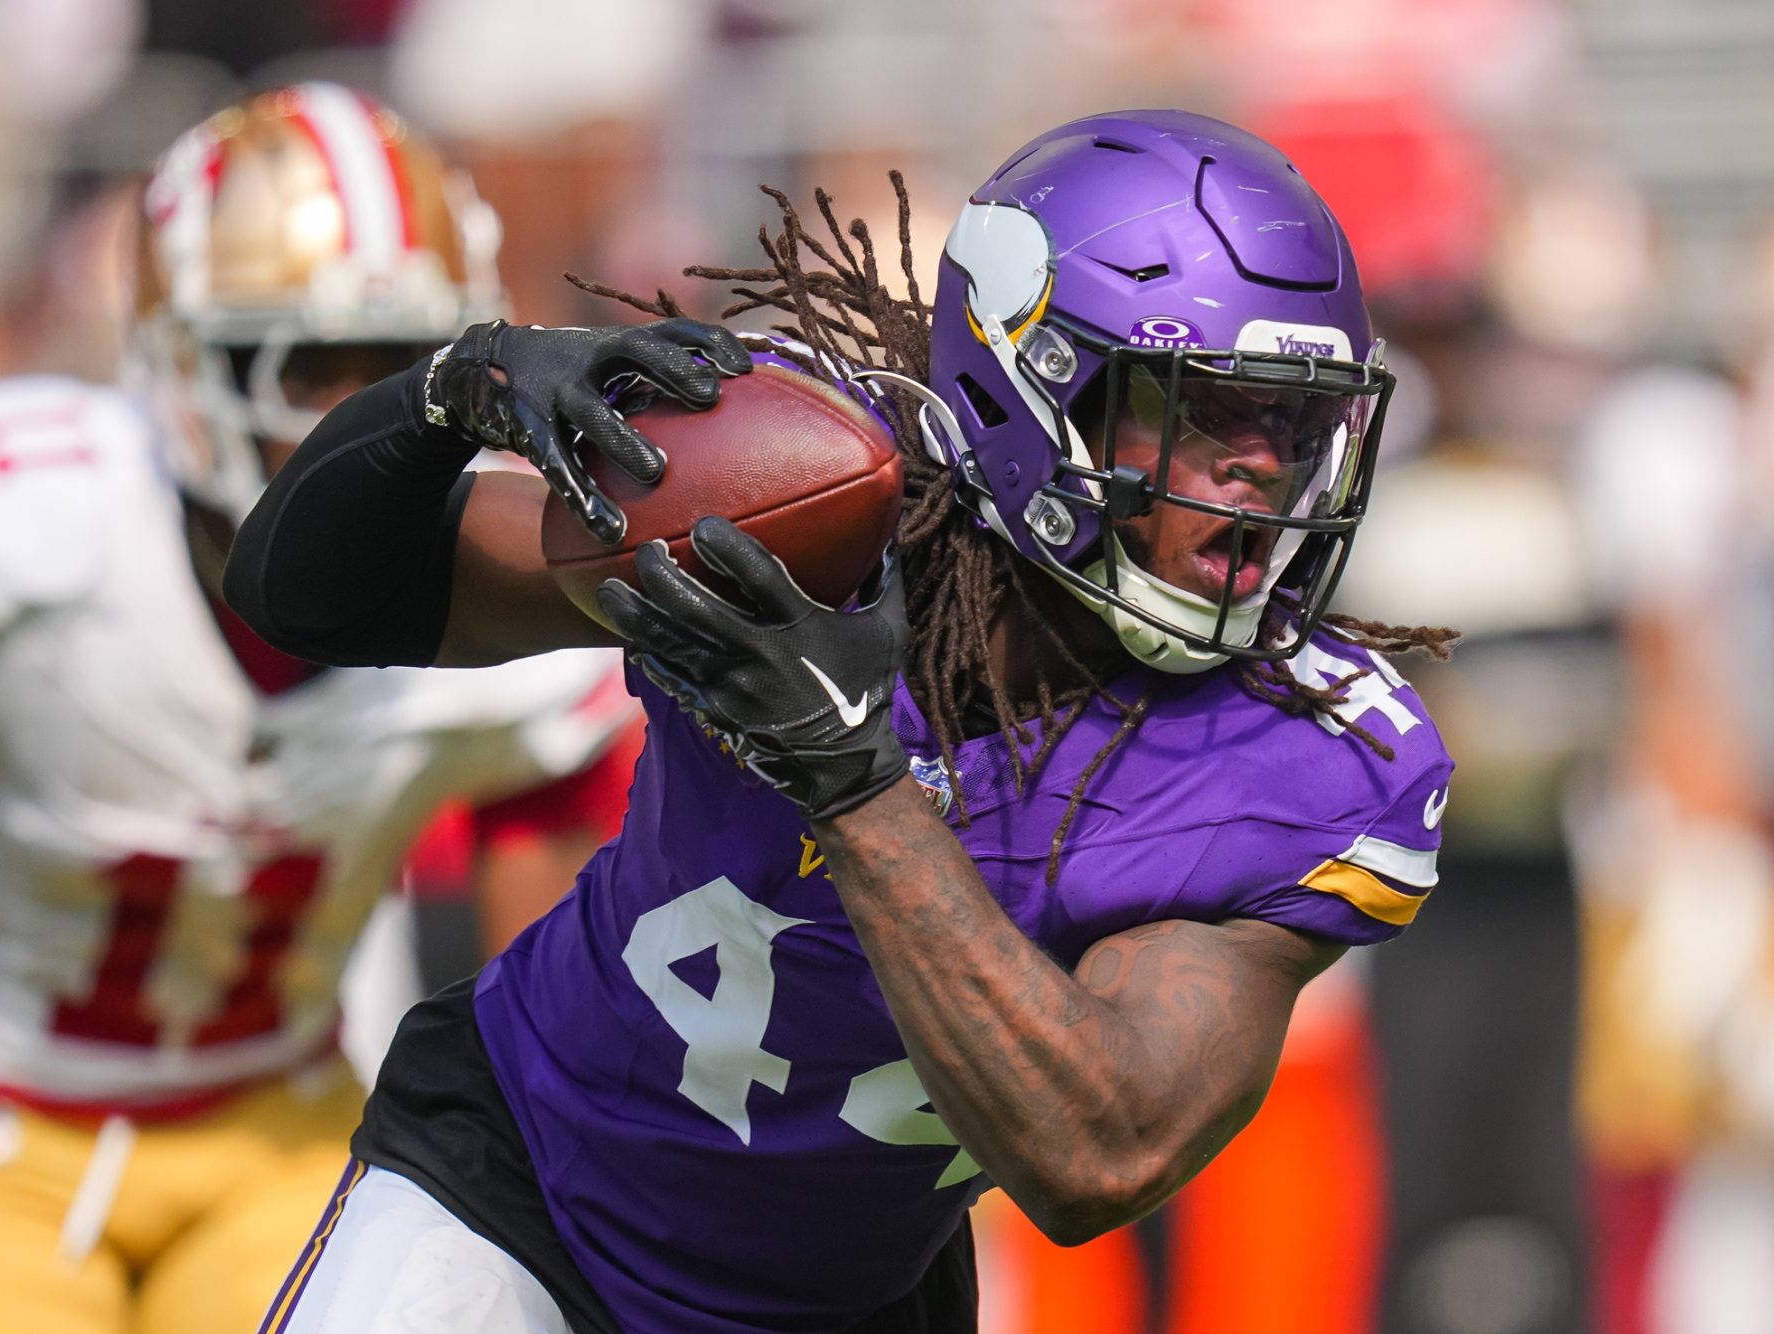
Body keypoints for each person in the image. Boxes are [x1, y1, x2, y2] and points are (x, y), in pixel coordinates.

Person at [228, 110, 1457, 1333]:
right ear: (1038, 390)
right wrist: (453, 390)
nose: (1258, 473)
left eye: (1292, 428)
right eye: (1200, 413)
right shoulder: (808, 506)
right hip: (519, 1197)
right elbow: (310, 592)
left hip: (847, 1301)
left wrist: (852, 779)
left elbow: (1101, 1151)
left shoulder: (1305, 757)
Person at [0, 83, 637, 1334]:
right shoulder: (30, 528)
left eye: (393, 371)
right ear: (185, 363)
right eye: (300, 365)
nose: (347, 419)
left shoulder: (518, 602)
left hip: (278, 1124)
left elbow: (551, 953)